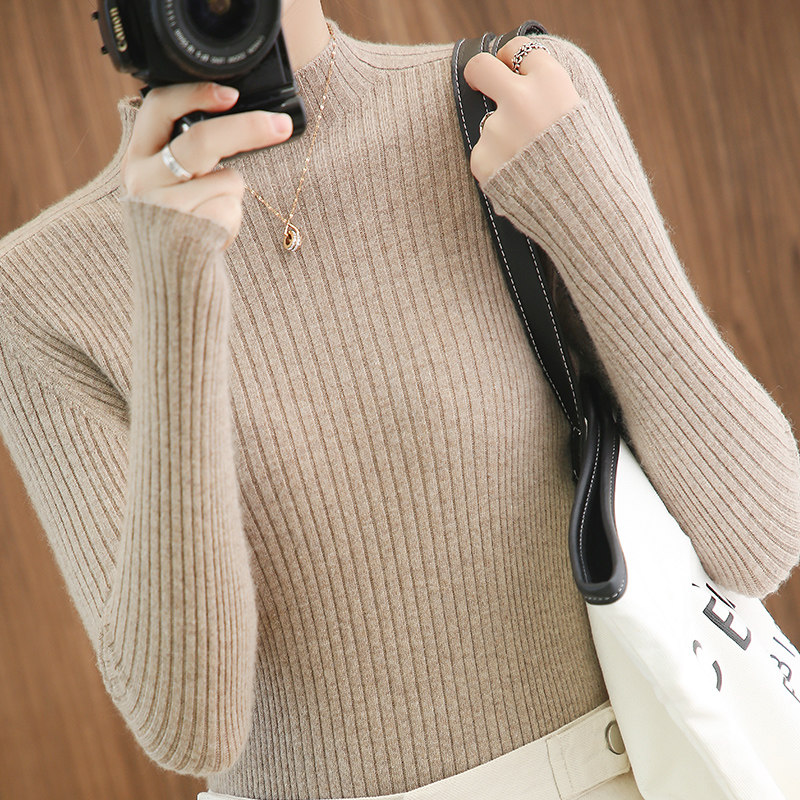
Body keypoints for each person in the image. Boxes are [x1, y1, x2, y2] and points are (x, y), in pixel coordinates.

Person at [1, 0, 799, 798]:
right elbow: (188, 728)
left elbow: (760, 541)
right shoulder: (34, 291)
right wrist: (172, 291)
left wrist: (586, 202)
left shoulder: (510, 102)